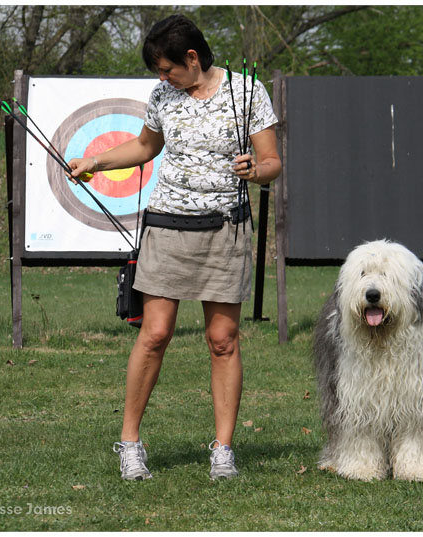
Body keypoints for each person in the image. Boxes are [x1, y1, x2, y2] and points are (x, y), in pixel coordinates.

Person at [68, 14, 281, 481]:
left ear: (192, 57)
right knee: (155, 333)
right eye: (158, 73)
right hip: (167, 226)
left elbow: (272, 162)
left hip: (225, 229)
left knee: (223, 341)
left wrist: (255, 170)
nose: (161, 79)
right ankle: (129, 444)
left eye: (167, 69)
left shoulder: (248, 91)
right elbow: (146, 146)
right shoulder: (163, 95)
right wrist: (95, 161)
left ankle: (223, 450)